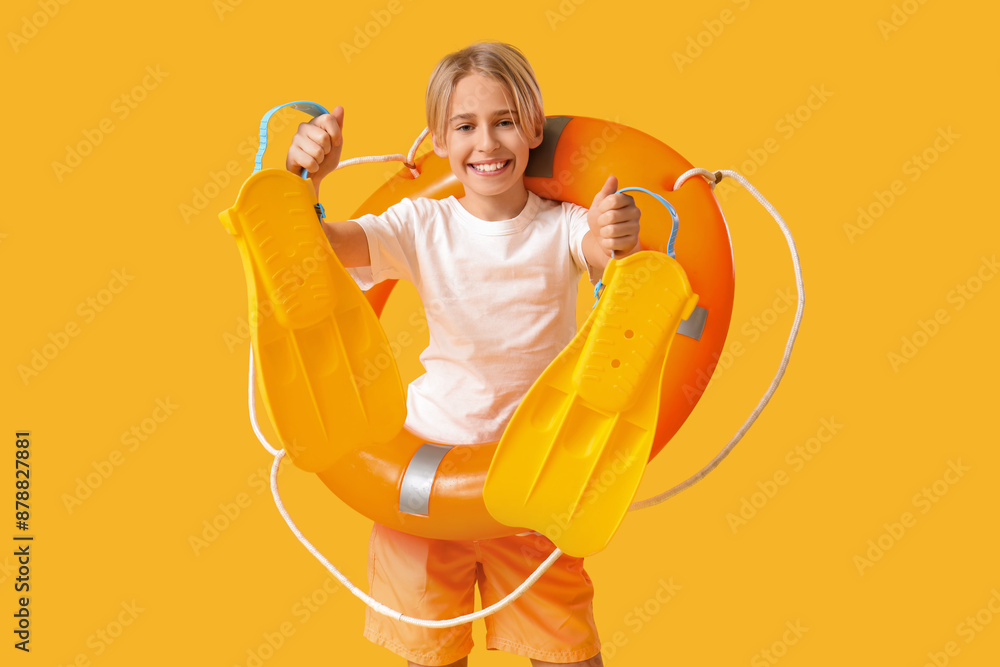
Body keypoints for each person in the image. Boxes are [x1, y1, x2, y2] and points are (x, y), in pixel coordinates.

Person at [286, 41, 640, 667]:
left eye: (505, 122)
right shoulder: (420, 224)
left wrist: (613, 231)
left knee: (566, 653)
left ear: (533, 127)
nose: (487, 143)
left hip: (531, 481)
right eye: (466, 126)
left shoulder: (563, 225)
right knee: (431, 656)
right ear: (438, 141)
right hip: (427, 477)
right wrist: (306, 179)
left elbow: (600, 253)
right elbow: (318, 249)